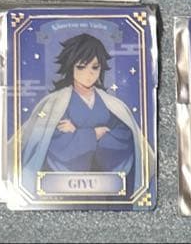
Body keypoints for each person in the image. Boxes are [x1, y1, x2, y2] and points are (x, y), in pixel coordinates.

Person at [13, 33, 148, 199]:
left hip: (105, 184)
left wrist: (78, 133)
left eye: (95, 67)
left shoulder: (110, 104)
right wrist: (94, 134)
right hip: (61, 185)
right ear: (71, 67)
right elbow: (52, 141)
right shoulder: (56, 103)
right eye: (81, 67)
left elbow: (125, 135)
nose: (89, 74)